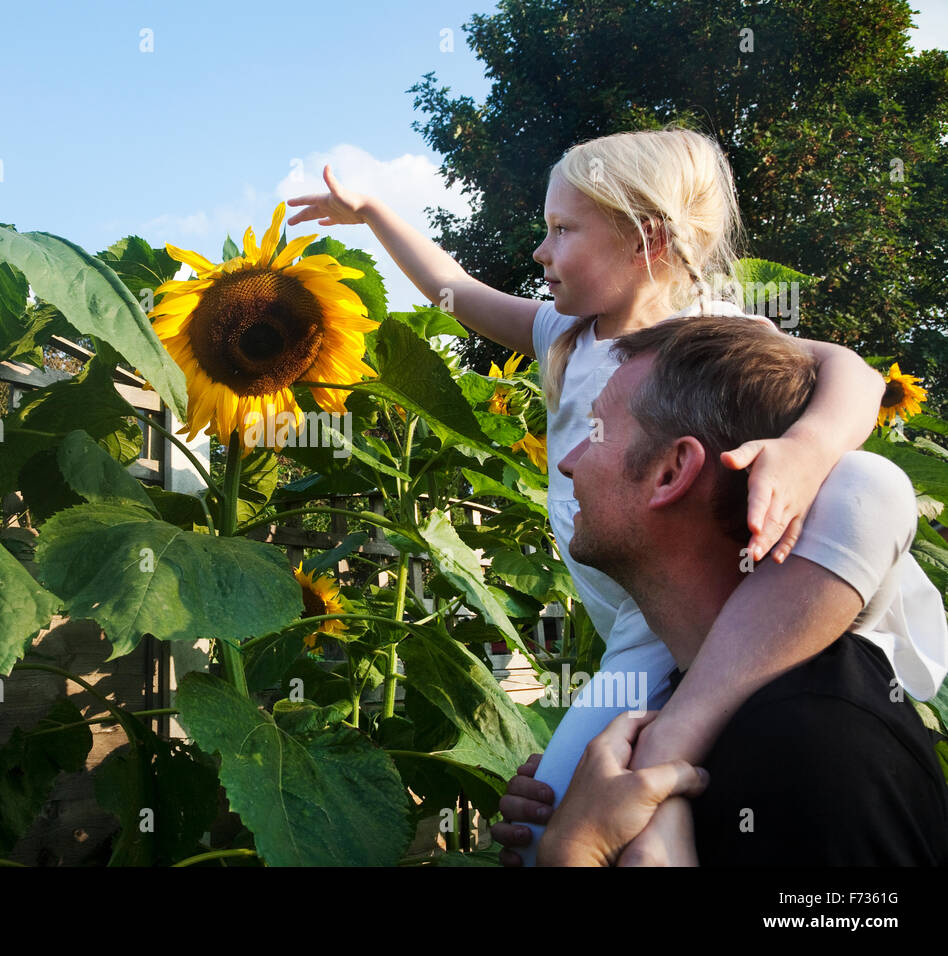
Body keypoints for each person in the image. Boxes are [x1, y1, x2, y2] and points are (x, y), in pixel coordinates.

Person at [287, 127, 948, 863]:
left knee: (862, 487)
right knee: (548, 833)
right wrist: (375, 211)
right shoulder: (565, 335)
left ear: (646, 240)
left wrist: (808, 448)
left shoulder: (708, 338)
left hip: (743, 601)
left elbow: (851, 371)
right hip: (639, 634)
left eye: (563, 229)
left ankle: (682, 745)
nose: (541, 251)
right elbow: (460, 293)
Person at [536, 315, 948, 865]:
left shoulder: (812, 748)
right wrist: (565, 806)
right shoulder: (670, 713)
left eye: (594, 433)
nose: (564, 462)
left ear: (672, 471)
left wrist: (574, 849)